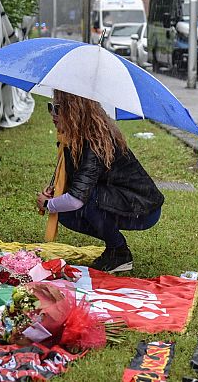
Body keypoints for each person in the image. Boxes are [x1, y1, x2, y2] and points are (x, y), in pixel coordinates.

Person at [36, 90, 164, 273]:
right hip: (118, 200)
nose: (53, 114)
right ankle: (115, 248)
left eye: (58, 108)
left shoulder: (96, 141)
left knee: (83, 200)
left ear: (74, 111)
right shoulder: (73, 138)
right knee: (65, 213)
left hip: (142, 209)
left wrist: (49, 204)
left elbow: (78, 198)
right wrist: (55, 191)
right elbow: (78, 183)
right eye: (51, 107)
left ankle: (119, 252)